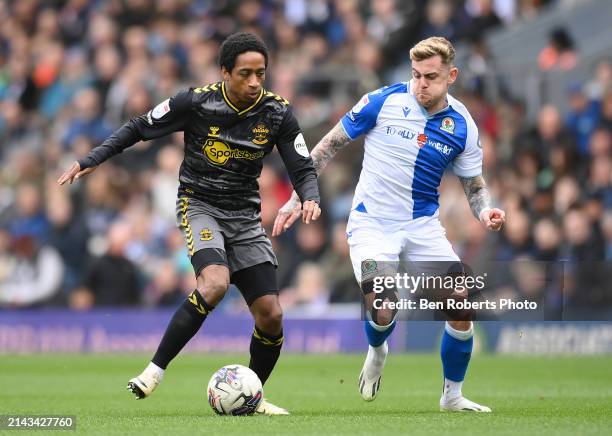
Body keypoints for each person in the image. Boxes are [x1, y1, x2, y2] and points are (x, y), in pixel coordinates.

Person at [59, 32, 321, 415]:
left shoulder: (277, 111)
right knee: (214, 283)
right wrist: (91, 159)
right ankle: (154, 371)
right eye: (245, 74)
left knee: (272, 314)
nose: (253, 82)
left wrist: (310, 195)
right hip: (200, 205)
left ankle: (252, 395)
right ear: (224, 72)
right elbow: (138, 126)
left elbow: (301, 163)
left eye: (260, 74)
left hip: (245, 217)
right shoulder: (195, 102)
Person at [274, 36, 505, 412]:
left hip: (422, 227)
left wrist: (484, 211)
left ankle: (452, 396)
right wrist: (298, 196)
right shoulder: (382, 101)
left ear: (452, 75)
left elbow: (473, 184)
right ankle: (378, 349)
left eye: (430, 76)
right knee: (384, 307)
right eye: (416, 75)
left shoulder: (462, 125)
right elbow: (328, 145)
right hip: (372, 225)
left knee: (461, 308)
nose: (421, 84)